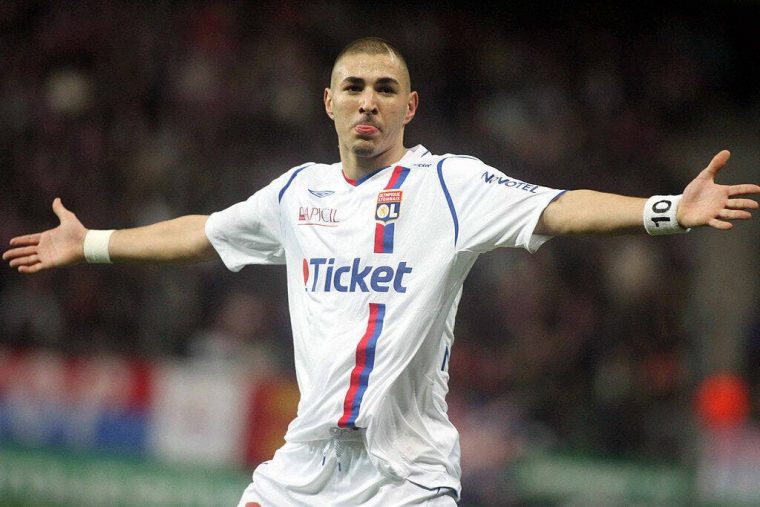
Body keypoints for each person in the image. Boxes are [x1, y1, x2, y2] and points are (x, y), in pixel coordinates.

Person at [4, 37, 760, 506]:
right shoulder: (296, 194)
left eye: (386, 89)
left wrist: (668, 210)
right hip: (303, 467)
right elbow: (203, 233)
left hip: (405, 478)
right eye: (355, 87)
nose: (369, 101)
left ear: (410, 107)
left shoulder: (450, 186)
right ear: (329, 102)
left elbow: (558, 207)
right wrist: (93, 242)